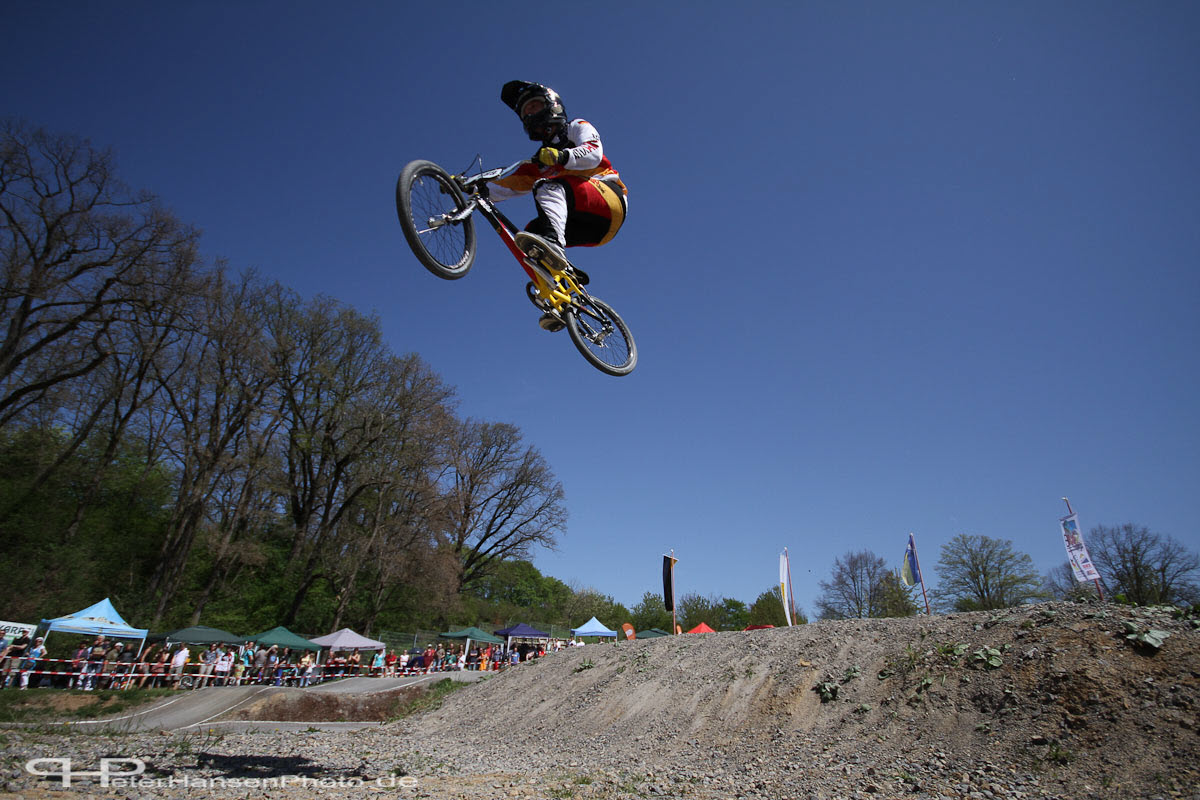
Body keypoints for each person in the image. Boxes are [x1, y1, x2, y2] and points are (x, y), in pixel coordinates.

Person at [480, 80, 628, 331]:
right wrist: (471, 189)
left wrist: (562, 156)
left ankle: (555, 248)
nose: (530, 114)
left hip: (609, 200)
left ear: (553, 106)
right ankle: (563, 299)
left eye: (534, 106)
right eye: (525, 112)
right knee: (528, 237)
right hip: (589, 226)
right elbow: (507, 187)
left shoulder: (576, 127)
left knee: (548, 186)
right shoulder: (539, 161)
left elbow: (593, 151)